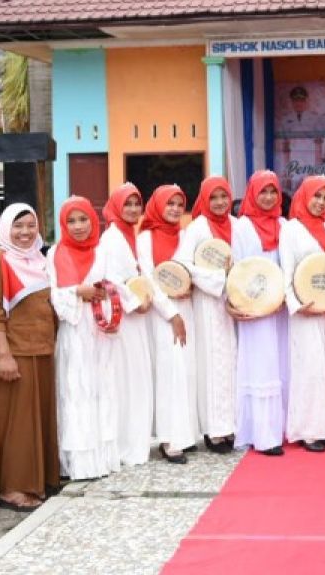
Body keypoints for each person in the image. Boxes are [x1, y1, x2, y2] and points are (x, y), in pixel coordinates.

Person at [0, 203, 59, 511]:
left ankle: (36, 480)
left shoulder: (40, 259)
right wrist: (5, 355)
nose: (25, 233)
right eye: (18, 226)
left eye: (30, 225)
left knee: (37, 421)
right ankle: (12, 488)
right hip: (16, 354)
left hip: (42, 351)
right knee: (16, 425)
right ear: (5, 228)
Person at [48, 196, 131, 480]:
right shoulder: (55, 253)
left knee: (102, 389)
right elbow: (54, 295)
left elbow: (117, 284)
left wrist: (106, 295)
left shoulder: (103, 251)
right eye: (71, 221)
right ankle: (78, 461)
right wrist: (76, 293)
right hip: (74, 332)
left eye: (83, 219)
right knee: (76, 389)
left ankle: (103, 458)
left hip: (101, 332)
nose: (78, 226)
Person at [280, 175, 325, 452]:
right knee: (310, 368)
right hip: (305, 312)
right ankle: (308, 430)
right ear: (303, 197)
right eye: (316, 196)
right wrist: (296, 305)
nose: (321, 203)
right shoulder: (291, 229)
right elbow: (287, 271)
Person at [231, 171, 290, 455]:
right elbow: (235, 270)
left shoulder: (284, 225)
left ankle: (284, 427)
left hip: (280, 309)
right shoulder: (240, 227)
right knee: (260, 364)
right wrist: (241, 302)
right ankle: (263, 435)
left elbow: (291, 266)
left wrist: (283, 297)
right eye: (262, 192)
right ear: (252, 194)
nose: (268, 198)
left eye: (273, 192)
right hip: (254, 310)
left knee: (282, 362)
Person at [139, 185, 199, 463]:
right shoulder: (145, 238)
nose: (175, 209)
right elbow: (149, 278)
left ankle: (184, 434)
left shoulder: (186, 235)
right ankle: (168, 438)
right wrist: (171, 313)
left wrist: (190, 290)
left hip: (187, 309)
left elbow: (191, 269)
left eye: (179, 203)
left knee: (185, 371)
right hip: (163, 314)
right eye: (169, 203)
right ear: (157, 205)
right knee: (168, 371)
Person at [99, 183, 155, 466]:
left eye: (137, 203)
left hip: (137, 318)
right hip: (124, 317)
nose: (133, 209)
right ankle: (124, 446)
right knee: (125, 381)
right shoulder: (111, 239)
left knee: (136, 379)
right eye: (128, 204)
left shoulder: (130, 235)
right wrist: (135, 302)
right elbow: (110, 279)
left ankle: (136, 443)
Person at [181, 177, 238, 453]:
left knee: (231, 364)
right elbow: (183, 265)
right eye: (213, 197)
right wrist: (218, 279)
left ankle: (231, 426)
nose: (219, 203)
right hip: (207, 303)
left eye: (223, 197)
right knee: (211, 364)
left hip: (234, 303)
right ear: (204, 199)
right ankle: (213, 431)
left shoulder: (238, 226)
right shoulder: (196, 228)